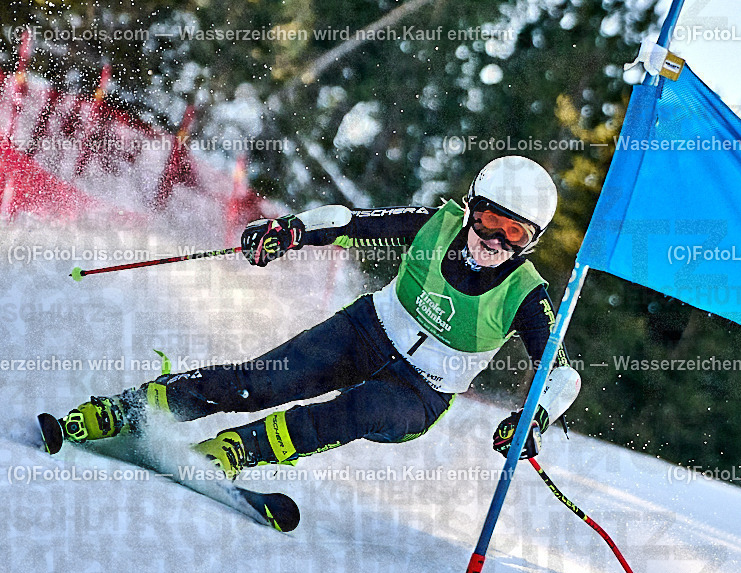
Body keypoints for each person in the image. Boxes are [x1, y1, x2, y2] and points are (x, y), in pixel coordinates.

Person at [47, 155, 581, 476]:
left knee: (355, 411)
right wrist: (292, 230)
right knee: (259, 381)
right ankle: (128, 409)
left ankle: (235, 451)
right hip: (368, 331)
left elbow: (561, 374)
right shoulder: (433, 224)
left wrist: (533, 418)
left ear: (531, 241)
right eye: (488, 221)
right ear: (470, 208)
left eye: (514, 233)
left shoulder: (525, 293)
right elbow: (350, 223)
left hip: (421, 391)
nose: (494, 240)